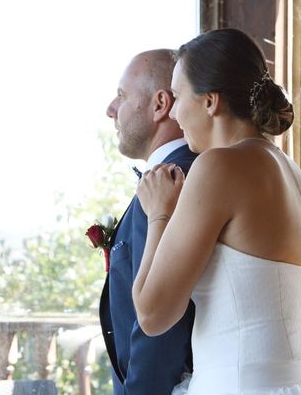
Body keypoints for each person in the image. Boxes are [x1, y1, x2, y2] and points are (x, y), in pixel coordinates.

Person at [132, 29, 301, 394]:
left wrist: (159, 214)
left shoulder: (218, 167)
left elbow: (152, 314)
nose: (174, 113)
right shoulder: (292, 172)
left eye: (177, 97)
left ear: (210, 101)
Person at [99, 49, 198, 395]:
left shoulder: (171, 181)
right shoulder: (187, 172)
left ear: (160, 104)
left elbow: (161, 324)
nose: (111, 109)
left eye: (122, 96)